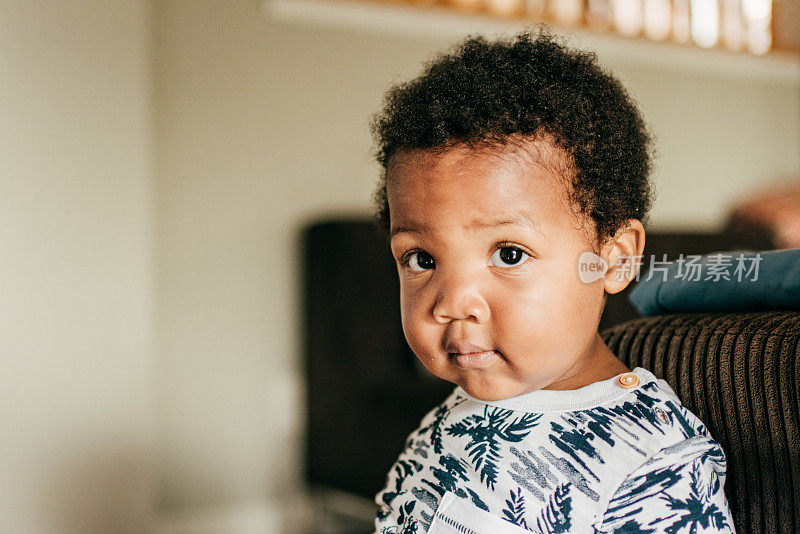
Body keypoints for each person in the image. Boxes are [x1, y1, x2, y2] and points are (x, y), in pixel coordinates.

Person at [369, 27, 735, 533]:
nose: (452, 303)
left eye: (510, 253)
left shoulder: (649, 462)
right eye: (421, 259)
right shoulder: (450, 417)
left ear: (611, 260)